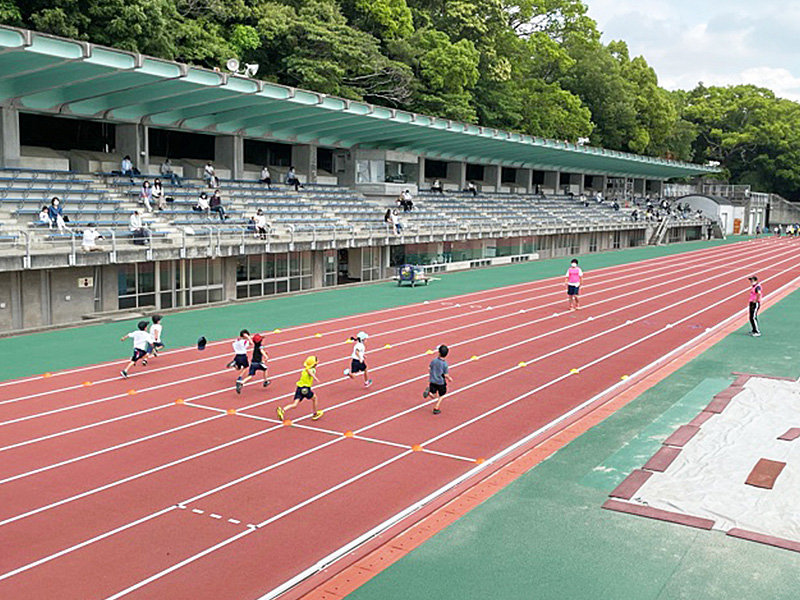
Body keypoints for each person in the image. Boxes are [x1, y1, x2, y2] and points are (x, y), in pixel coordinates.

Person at [277, 356, 324, 421]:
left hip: (299, 388)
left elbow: (308, 370)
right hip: (305, 389)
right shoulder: (312, 370)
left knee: (295, 404)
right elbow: (310, 371)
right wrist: (315, 378)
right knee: (315, 398)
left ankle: (283, 410)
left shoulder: (304, 370)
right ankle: (315, 414)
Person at [423, 344, 453, 415]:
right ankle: (436, 407)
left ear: (439, 352)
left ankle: (429, 393)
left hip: (433, 380)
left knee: (434, 395)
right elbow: (445, 374)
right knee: (442, 395)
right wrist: (449, 378)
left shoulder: (434, 361)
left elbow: (429, 368)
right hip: (440, 382)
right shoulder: (444, 364)